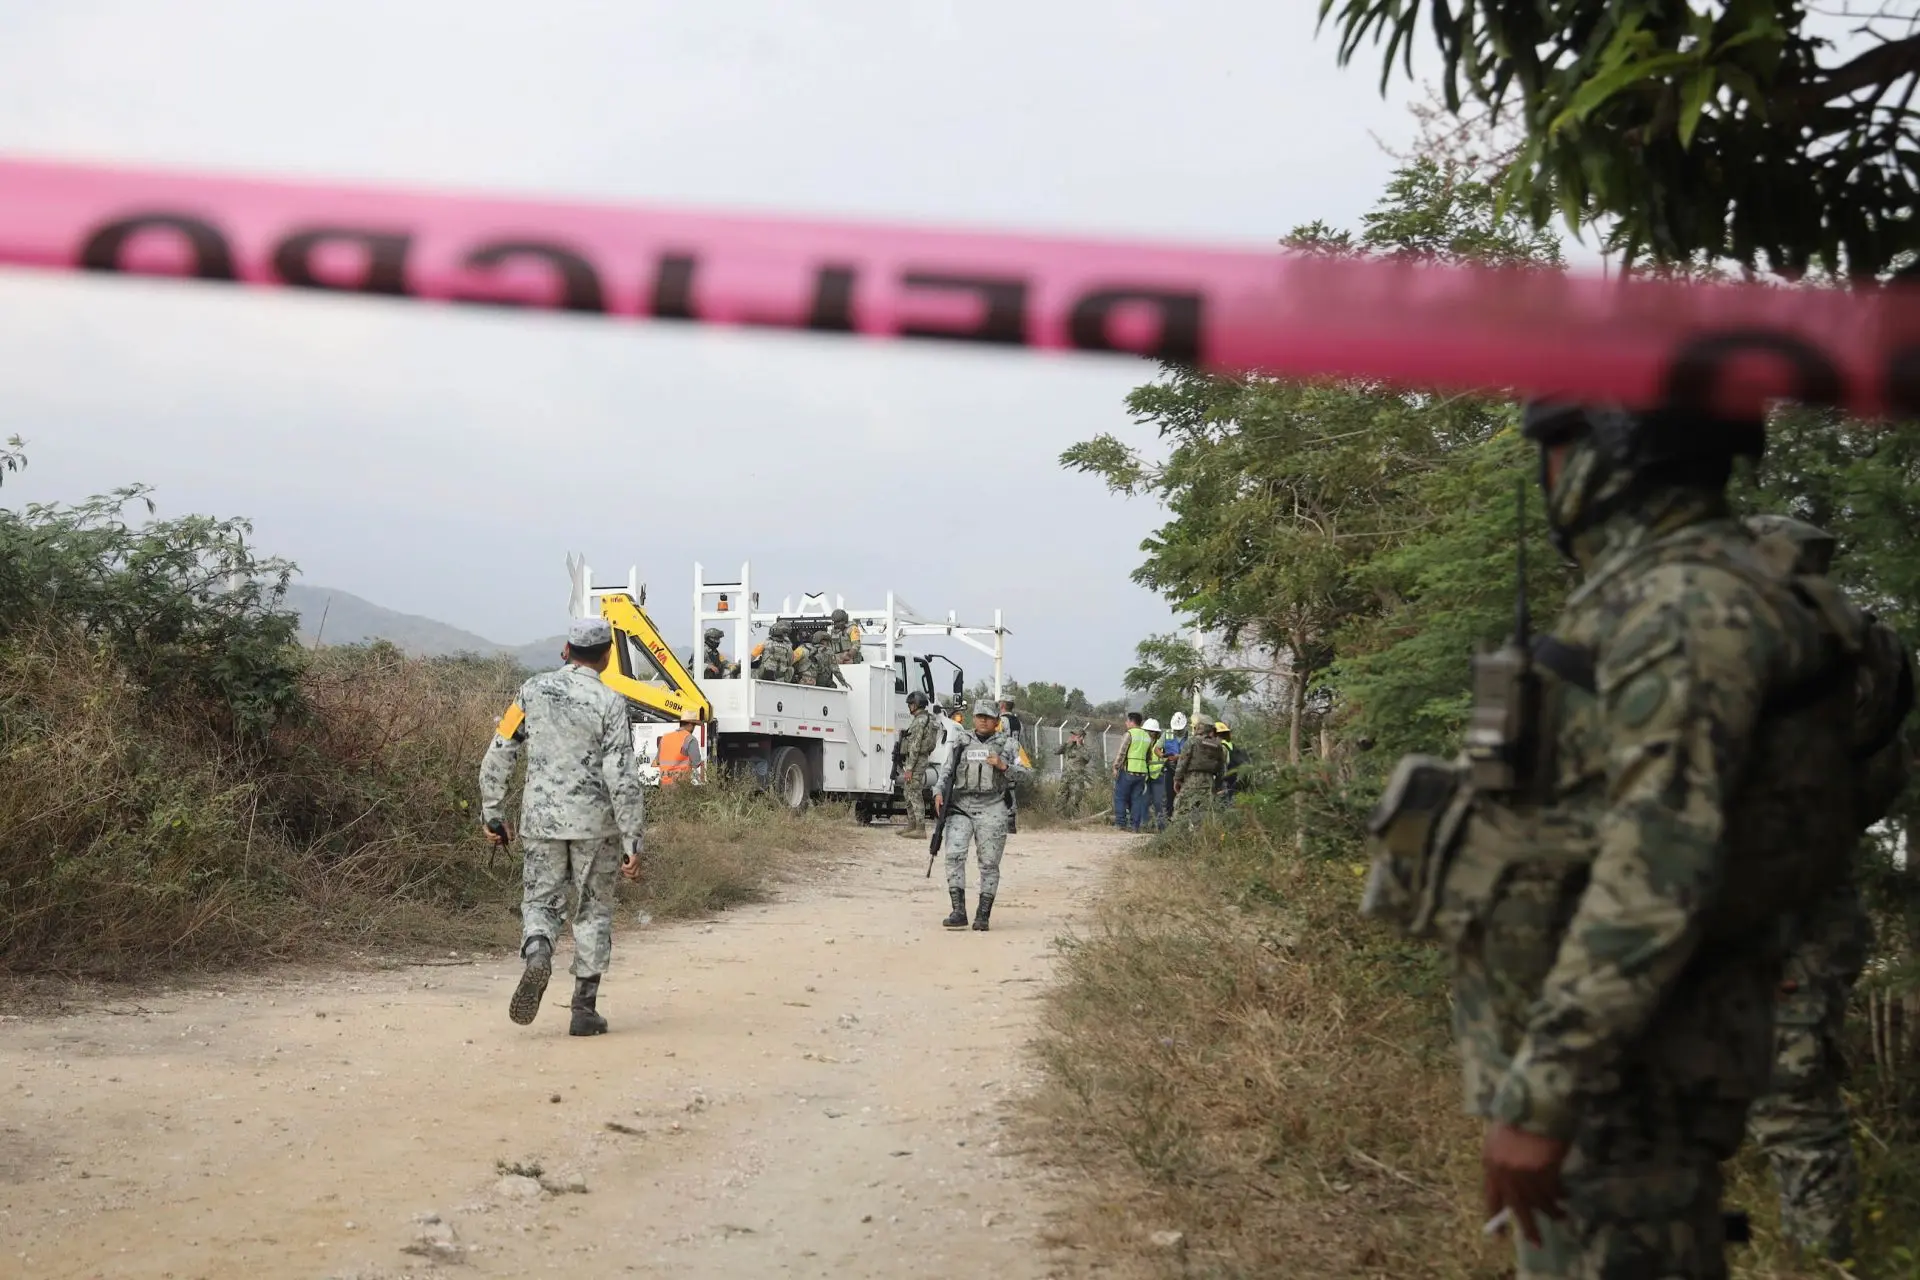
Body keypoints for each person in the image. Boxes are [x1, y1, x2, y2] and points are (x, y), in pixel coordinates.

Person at [1363, 401, 1860, 1279]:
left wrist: (1545, 1093)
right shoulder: (1667, 590)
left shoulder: (1687, 607)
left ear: (1620, 447)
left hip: (1628, 1083)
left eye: (1558, 443)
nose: (1549, 470)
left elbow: (1660, 870)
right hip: (1617, 1080)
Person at [1740, 513, 1915, 1265]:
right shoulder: (1866, 650)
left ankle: (1820, 1259)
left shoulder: (1799, 653)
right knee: (1790, 1076)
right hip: (1804, 894)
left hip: (1780, 903)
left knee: (1789, 1088)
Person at [479, 617, 648, 1037]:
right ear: (607, 656)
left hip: (541, 822)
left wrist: (492, 812)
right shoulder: (610, 702)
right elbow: (623, 776)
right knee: (593, 910)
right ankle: (583, 1010)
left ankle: (539, 951)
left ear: (566, 651)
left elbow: (500, 750)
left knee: (540, 901)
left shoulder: (531, 691)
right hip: (596, 827)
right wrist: (633, 840)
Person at [933, 698, 1032, 931]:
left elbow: (1029, 774)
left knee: (989, 862)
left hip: (993, 805)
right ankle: (958, 911)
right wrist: (938, 791)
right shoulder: (962, 740)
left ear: (997, 720)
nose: (983, 721)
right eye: (979, 716)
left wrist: (1004, 767)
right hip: (961, 805)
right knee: (954, 856)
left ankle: (983, 915)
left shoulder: (1009, 745)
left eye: (988, 717)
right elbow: (947, 770)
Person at [896, 690, 941, 838]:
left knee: (914, 792)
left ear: (916, 705)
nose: (909, 707)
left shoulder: (920, 721)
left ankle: (920, 828)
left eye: (911, 704)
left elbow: (915, 746)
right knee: (908, 791)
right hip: (917, 759)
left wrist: (909, 768)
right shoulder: (925, 719)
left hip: (916, 760)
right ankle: (912, 825)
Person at [1172, 719, 1225, 818]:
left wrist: (1177, 779)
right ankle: (1203, 827)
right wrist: (1218, 785)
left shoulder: (1192, 741)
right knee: (1205, 810)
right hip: (1209, 781)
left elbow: (1182, 762)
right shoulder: (1218, 745)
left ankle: (1180, 826)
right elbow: (1222, 768)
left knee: (1182, 807)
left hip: (1192, 780)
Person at [1111, 712, 1152, 831]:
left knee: (1120, 797)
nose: (1126, 723)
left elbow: (1122, 752)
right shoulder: (1147, 736)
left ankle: (1120, 823)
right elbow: (1149, 756)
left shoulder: (1129, 734)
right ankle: (1135, 826)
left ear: (1131, 722)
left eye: (1127, 721)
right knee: (1136, 799)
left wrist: (1116, 767)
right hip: (1141, 773)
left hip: (1128, 771)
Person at [655, 711, 706, 787]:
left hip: (664, 784)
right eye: (694, 725)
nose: (693, 728)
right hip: (680, 786)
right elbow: (696, 763)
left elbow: (658, 761)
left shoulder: (665, 737)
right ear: (690, 724)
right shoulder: (690, 739)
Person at [1058, 729, 1095, 816]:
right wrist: (1066, 743)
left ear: (1081, 737)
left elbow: (1087, 758)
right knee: (1061, 797)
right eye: (1073, 735)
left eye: (1075, 735)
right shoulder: (1068, 746)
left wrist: (1079, 745)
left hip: (1077, 779)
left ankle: (1073, 818)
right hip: (1065, 777)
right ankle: (1059, 817)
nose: (1073, 736)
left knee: (1075, 800)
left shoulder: (1084, 748)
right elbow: (1056, 751)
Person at [1159, 712, 1188, 819]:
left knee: (1184, 796)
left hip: (1185, 771)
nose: (1177, 731)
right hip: (1170, 769)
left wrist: (1178, 757)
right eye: (1176, 729)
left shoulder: (1190, 736)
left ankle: (1182, 819)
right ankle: (1169, 819)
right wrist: (1163, 756)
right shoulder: (1167, 734)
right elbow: (1157, 749)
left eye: (1180, 729)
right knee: (1169, 796)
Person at [1141, 718, 1168, 830]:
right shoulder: (1144, 743)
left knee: (1158, 803)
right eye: (1147, 731)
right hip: (1147, 777)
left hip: (1159, 777)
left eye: (1151, 731)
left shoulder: (1161, 744)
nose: (1148, 733)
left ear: (1156, 733)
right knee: (1144, 802)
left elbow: (1165, 758)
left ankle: (1162, 828)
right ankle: (1145, 826)